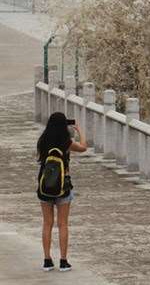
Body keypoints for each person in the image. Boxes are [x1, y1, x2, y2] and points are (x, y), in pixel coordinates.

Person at [37, 112, 87, 272]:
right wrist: (79, 131)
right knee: (63, 224)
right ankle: (64, 261)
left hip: (44, 188)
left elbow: (40, 159)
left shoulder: (42, 141)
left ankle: (47, 260)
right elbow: (84, 148)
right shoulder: (66, 142)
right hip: (63, 188)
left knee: (47, 224)